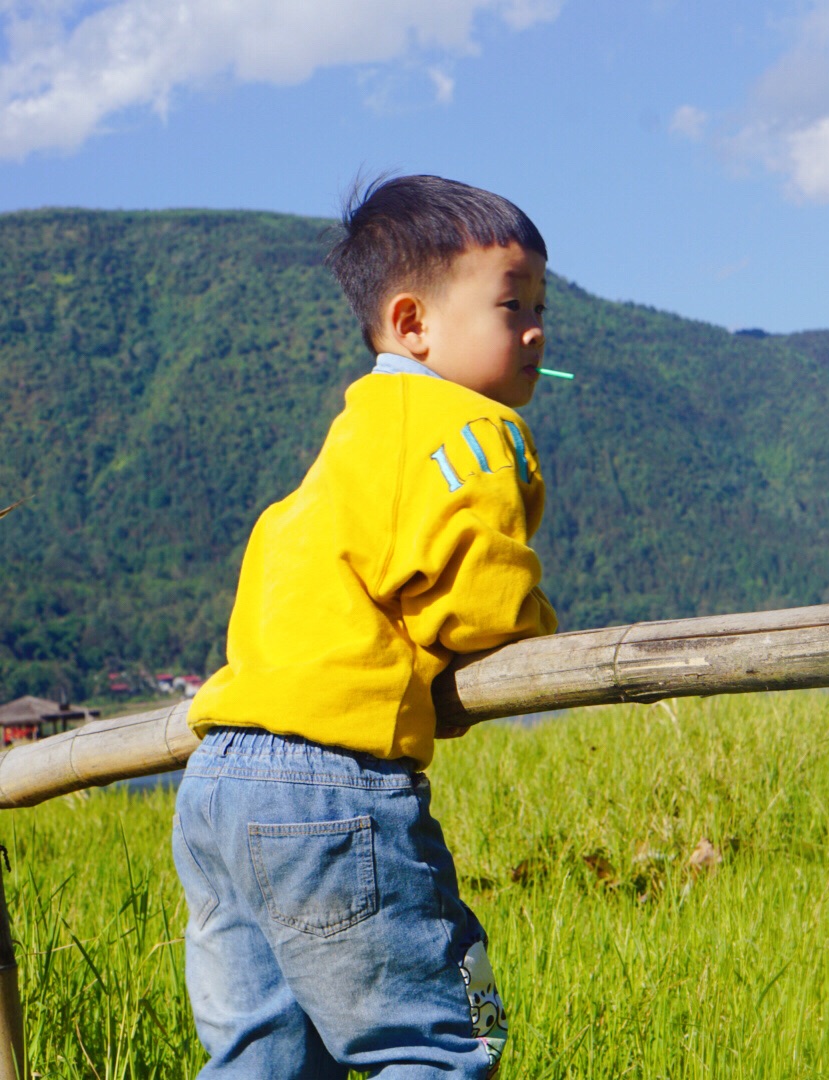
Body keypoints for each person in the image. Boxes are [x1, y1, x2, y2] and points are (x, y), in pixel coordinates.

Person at [171, 174, 559, 1078]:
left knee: (257, 1058)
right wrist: (541, 625)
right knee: (430, 1045)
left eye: (542, 306)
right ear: (414, 322)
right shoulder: (469, 429)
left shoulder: (344, 446)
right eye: (512, 306)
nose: (537, 330)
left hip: (218, 779)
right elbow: (483, 606)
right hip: (331, 786)